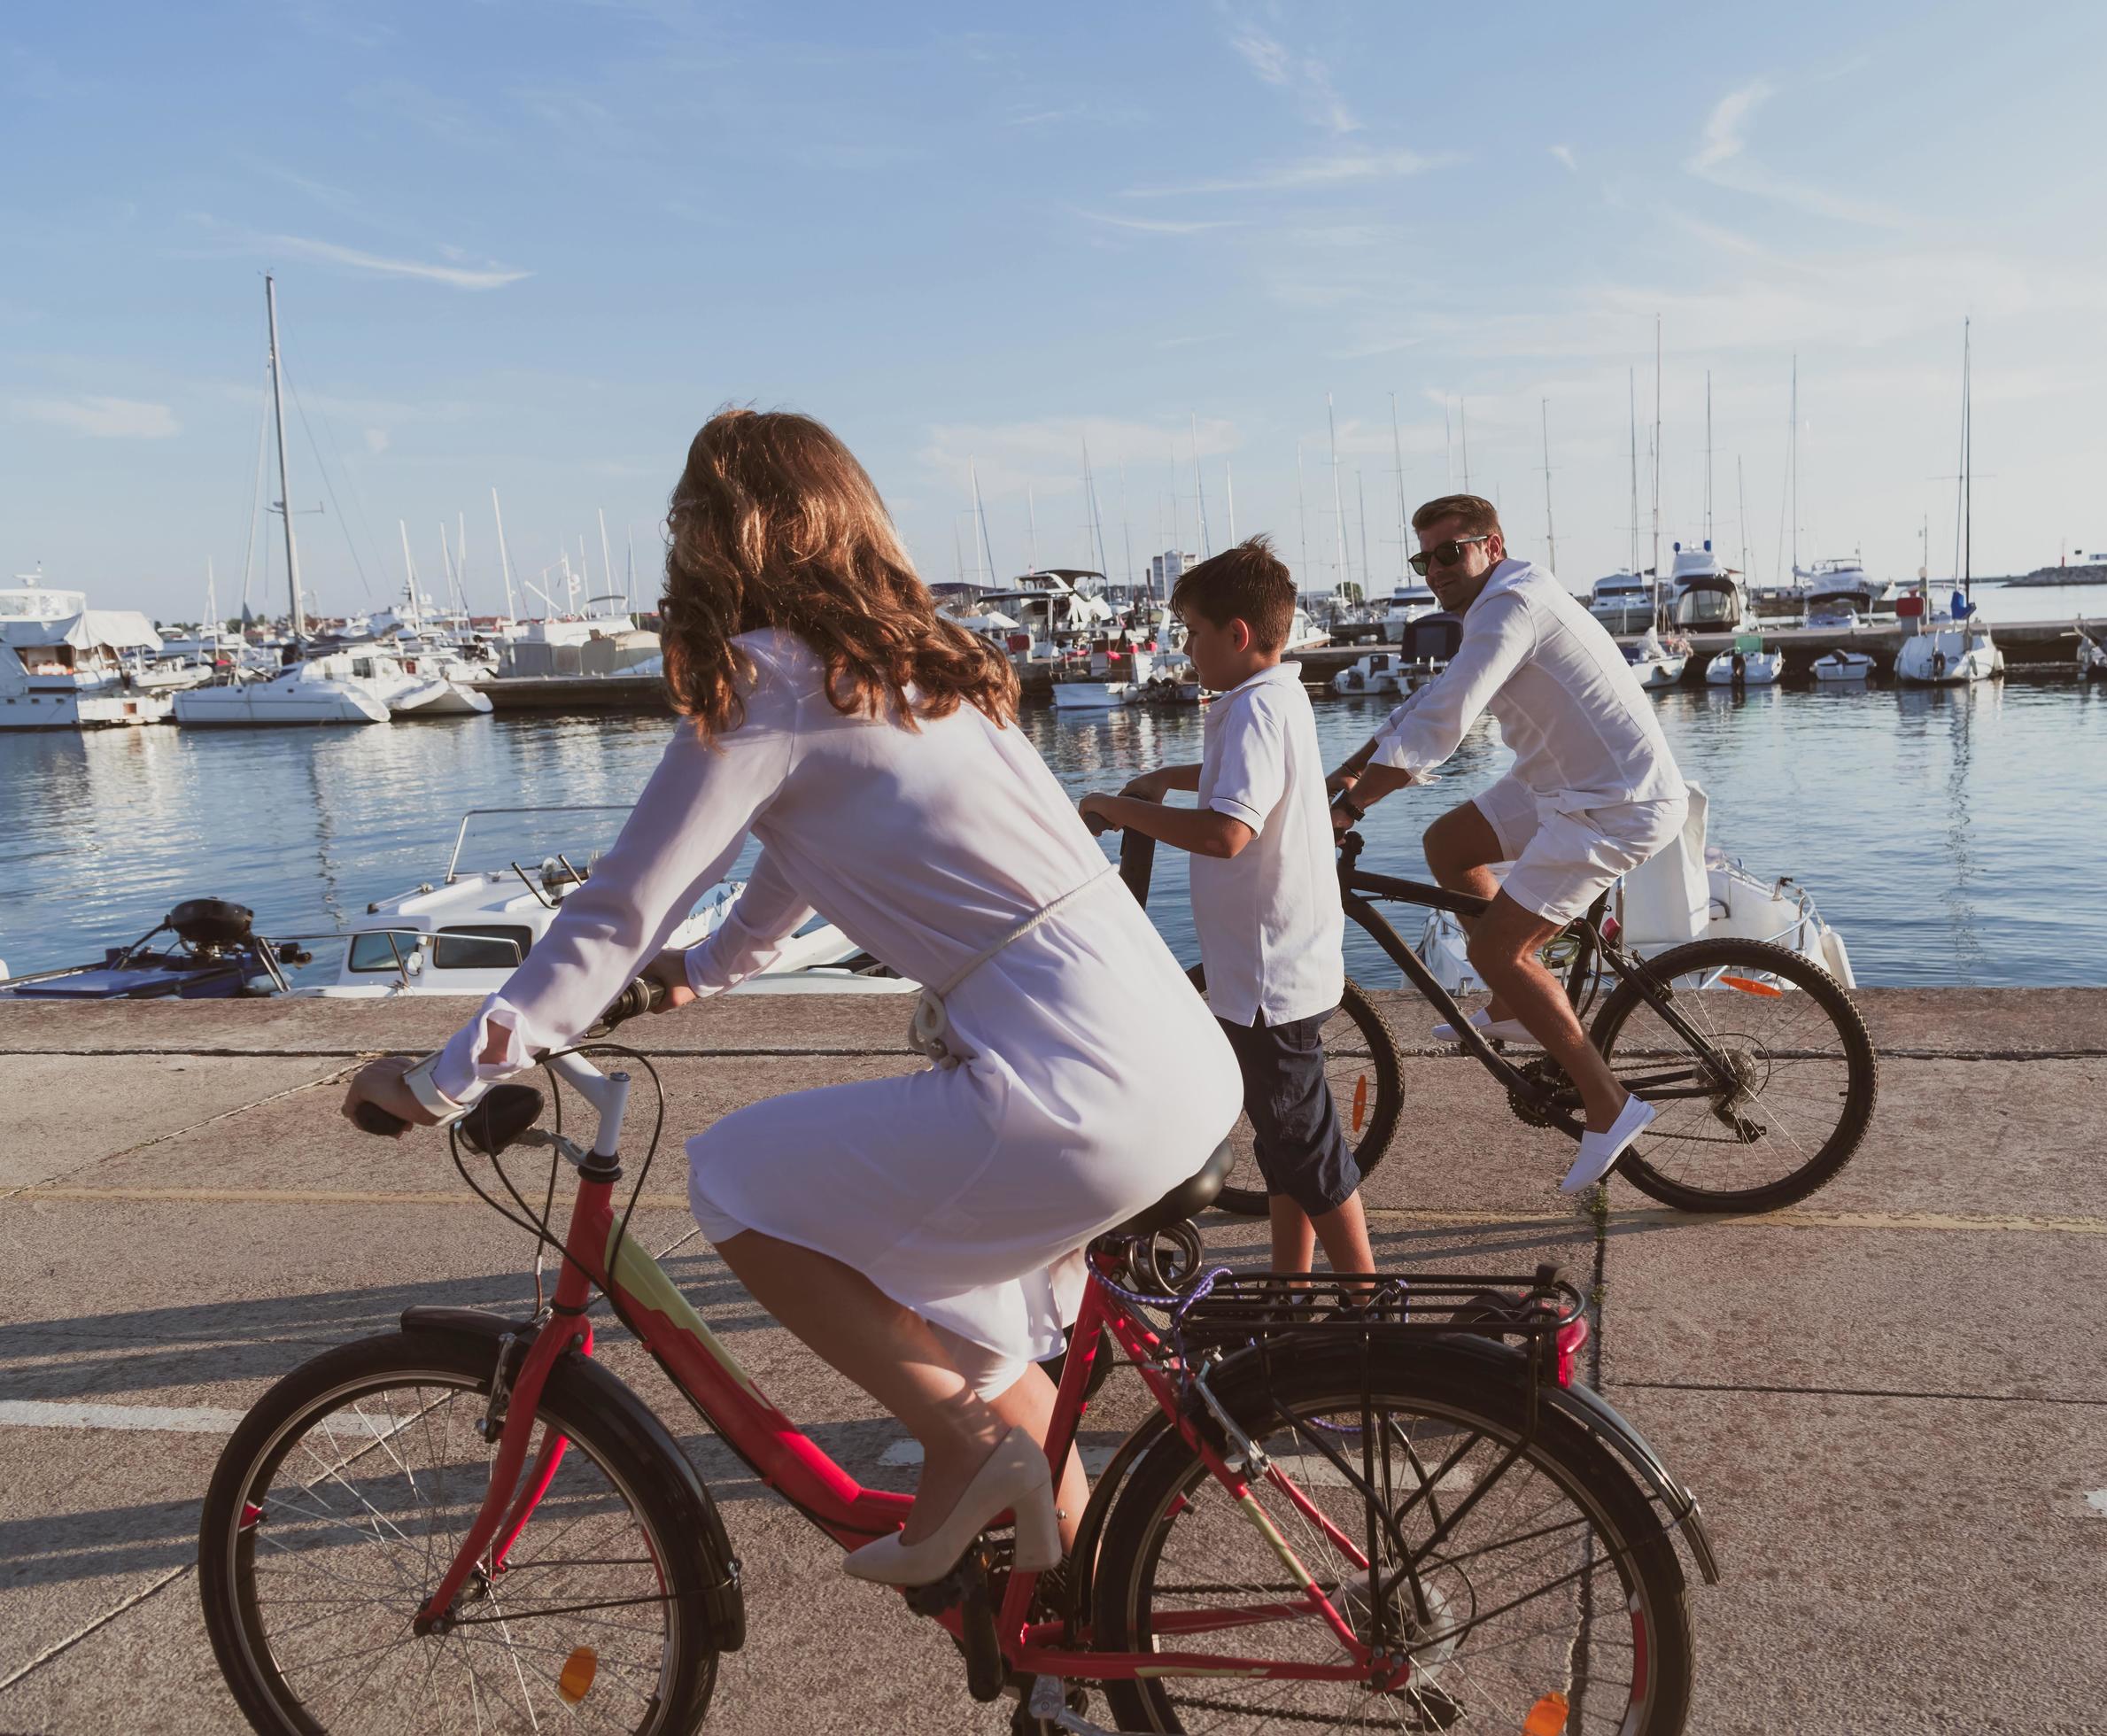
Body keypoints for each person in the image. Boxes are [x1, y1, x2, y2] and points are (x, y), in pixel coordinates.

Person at [339, 409, 1240, 1586]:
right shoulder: (916, 673)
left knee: (740, 1181)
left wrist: (443, 1080)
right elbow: (790, 855)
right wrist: (701, 974)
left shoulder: (769, 681)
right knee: (981, 1353)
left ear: (730, 536)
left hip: (1074, 1088)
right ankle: (1062, 1637)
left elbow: (616, 912)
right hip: (1172, 1057)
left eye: (689, 524)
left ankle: (964, 1453)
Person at [1327, 494, 1686, 1194]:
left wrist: (1350, 807)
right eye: (1421, 558)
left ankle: (1609, 1107)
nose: (1433, 570)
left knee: (1498, 948)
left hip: (1616, 804)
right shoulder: (1502, 600)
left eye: (1448, 553)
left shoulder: (1509, 607)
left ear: (1491, 546)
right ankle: (1515, 1005)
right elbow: (1425, 705)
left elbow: (1448, 719)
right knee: (1449, 843)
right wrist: (1352, 763)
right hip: (1560, 782)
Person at [1079, 537, 1374, 1284]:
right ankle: (1291, 1289)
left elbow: (1227, 832)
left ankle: (1369, 1305)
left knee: (1307, 1151)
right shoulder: (1278, 696)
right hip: (1284, 961)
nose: (1185, 649)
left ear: (1237, 635)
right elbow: (1235, 782)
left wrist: (1119, 807)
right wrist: (1162, 780)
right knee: (1284, 1144)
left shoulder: (1249, 712)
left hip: (1268, 975)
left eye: (1193, 632)